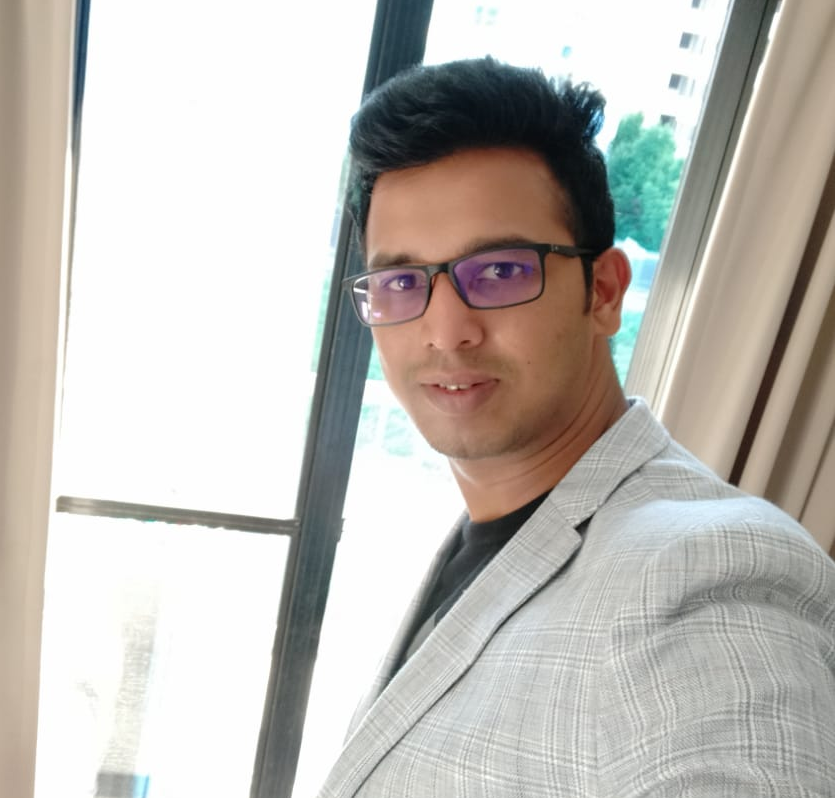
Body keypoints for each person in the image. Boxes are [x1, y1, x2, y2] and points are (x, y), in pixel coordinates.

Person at [317, 57, 835, 797]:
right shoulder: (491, 534)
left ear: (603, 292)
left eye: (499, 271)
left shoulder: (700, 569)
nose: (446, 331)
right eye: (401, 282)